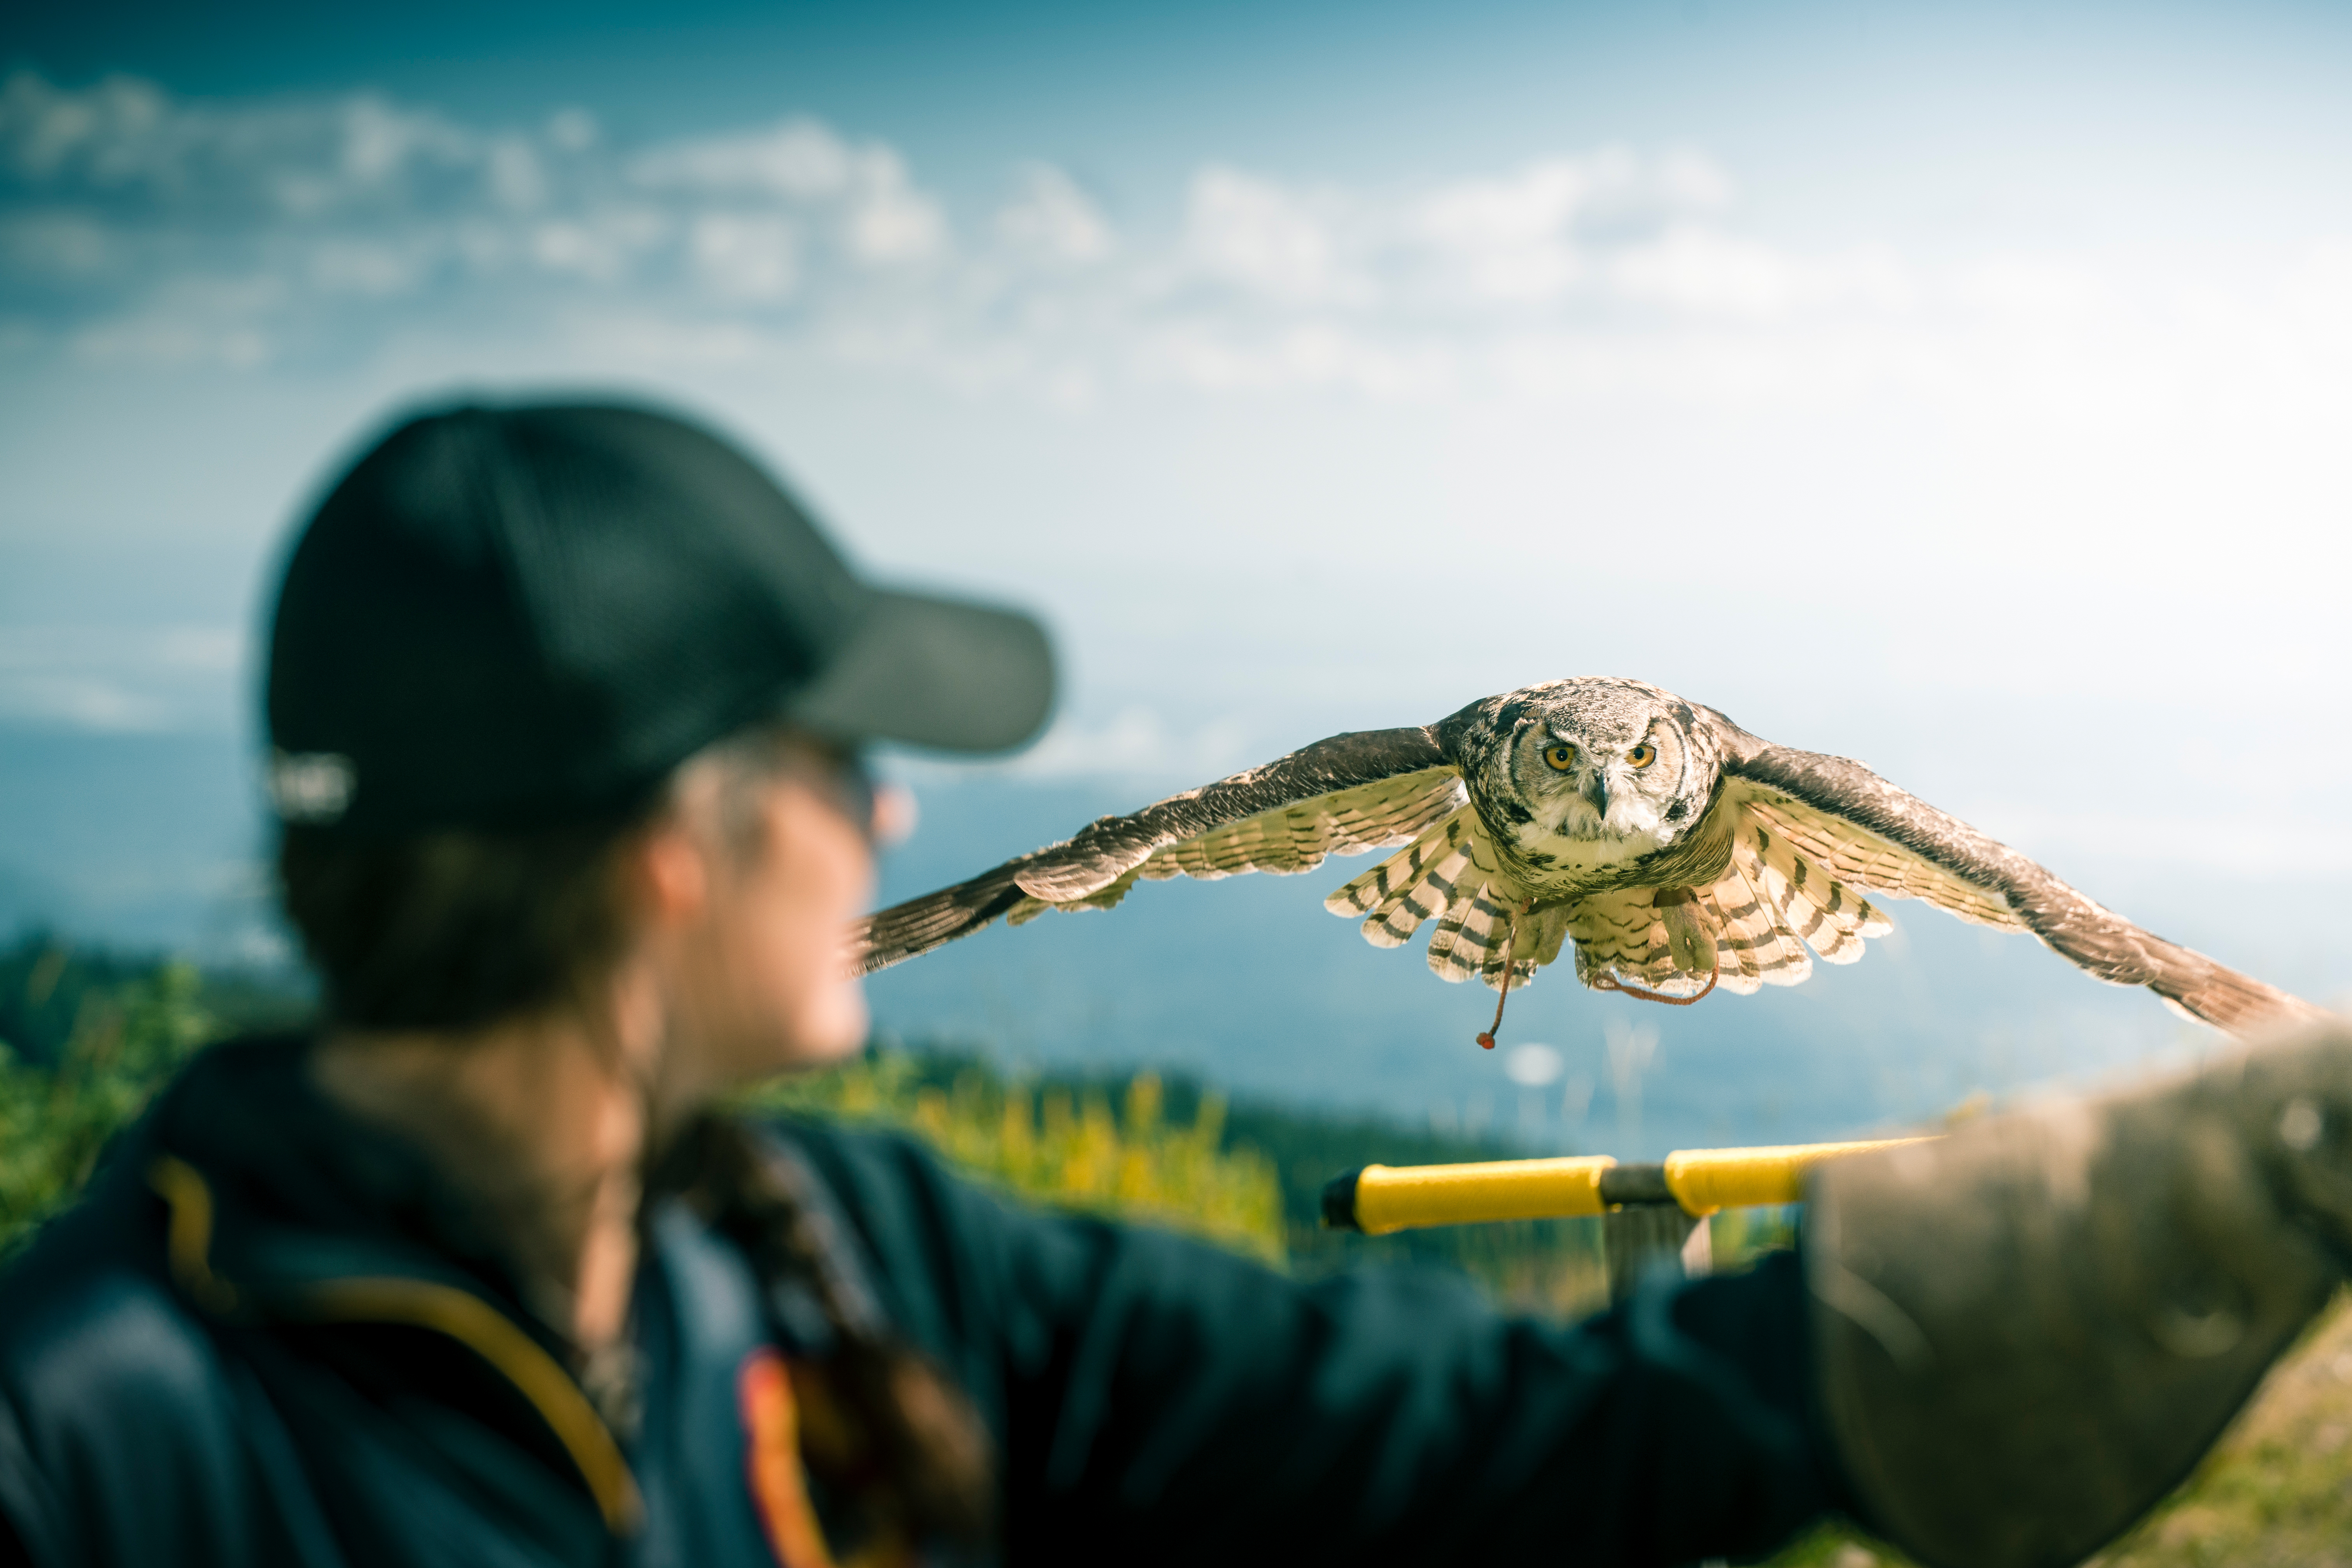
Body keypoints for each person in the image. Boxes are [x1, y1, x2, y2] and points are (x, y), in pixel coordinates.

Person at [0, 400, 2345, 1568]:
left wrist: (2241, 1165)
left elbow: (1530, 1446)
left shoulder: (859, 1270)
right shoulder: (97, 1444)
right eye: (840, 762)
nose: (899, 828)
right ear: (664, 852)